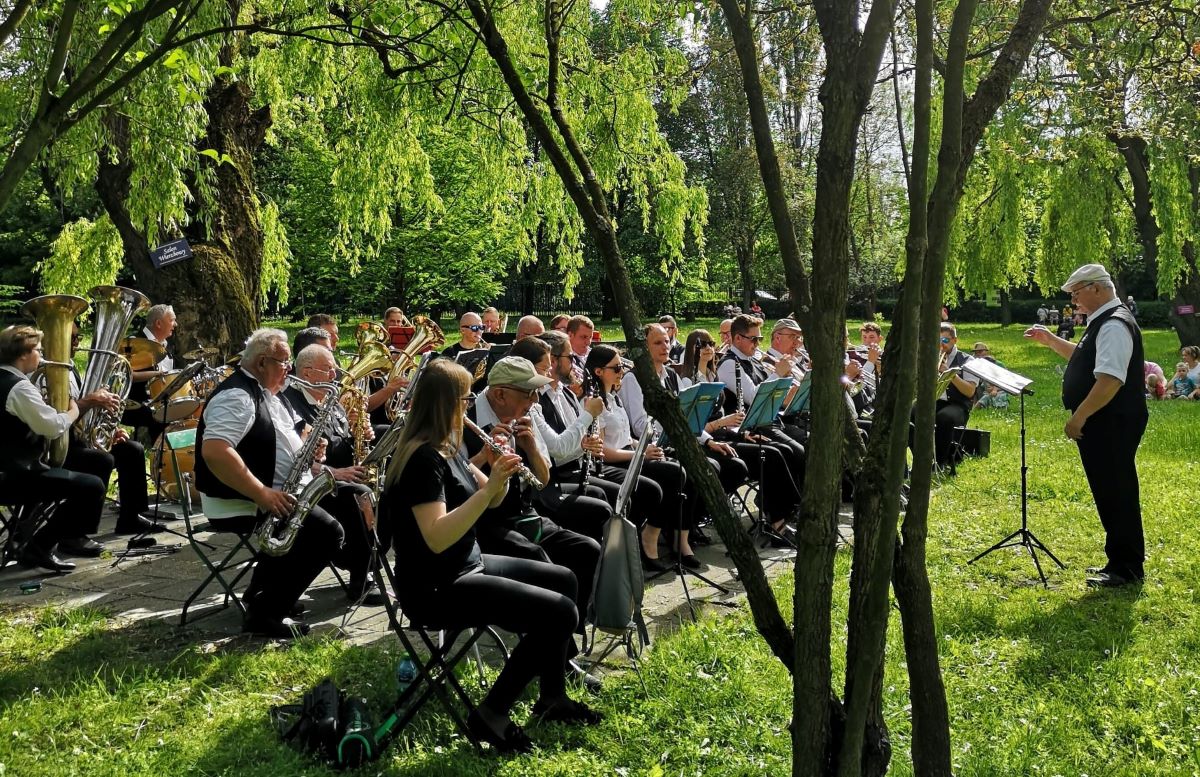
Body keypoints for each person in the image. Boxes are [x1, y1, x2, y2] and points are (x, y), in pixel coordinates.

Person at [383, 359, 601, 753]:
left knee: (564, 579)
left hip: (466, 564)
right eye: (465, 400)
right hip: (436, 586)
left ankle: (552, 697)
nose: (469, 407)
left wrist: (497, 472)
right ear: (446, 403)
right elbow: (437, 536)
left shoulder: (447, 448)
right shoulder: (422, 460)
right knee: (559, 613)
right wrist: (488, 489)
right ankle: (493, 712)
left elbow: (494, 499)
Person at [194, 328, 348, 637]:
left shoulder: (269, 393)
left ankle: (264, 592)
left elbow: (277, 438)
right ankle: (267, 614)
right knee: (327, 532)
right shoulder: (237, 396)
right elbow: (216, 452)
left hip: (277, 488)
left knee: (350, 499)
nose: (289, 368)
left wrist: (310, 450)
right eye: (284, 362)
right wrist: (262, 493)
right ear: (262, 362)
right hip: (241, 498)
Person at [1025, 263, 1148, 588]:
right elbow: (1085, 359)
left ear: (1096, 288)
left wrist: (1079, 416)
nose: (1073, 301)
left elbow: (1110, 379)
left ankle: (1127, 568)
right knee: (1109, 490)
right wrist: (1051, 341)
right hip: (1106, 420)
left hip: (1110, 421)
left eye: (1076, 293)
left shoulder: (1114, 324)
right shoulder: (1102, 321)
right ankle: (1119, 560)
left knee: (1116, 491)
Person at [281, 345, 386, 605]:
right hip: (313, 484)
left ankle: (372, 560)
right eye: (328, 369)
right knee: (360, 496)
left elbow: (343, 438)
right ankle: (360, 576)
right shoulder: (289, 405)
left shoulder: (329, 398)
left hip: (343, 474)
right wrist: (337, 473)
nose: (335, 375)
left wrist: (360, 432)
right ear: (307, 372)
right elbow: (295, 460)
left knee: (390, 489)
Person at [0, 325, 107, 572]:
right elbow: (52, 427)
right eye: (38, 350)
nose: (42, 355)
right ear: (23, 354)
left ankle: (48, 539)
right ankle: (39, 547)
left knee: (94, 467)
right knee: (92, 486)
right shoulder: (19, 388)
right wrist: (75, 409)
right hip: (17, 476)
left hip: (6, 471)